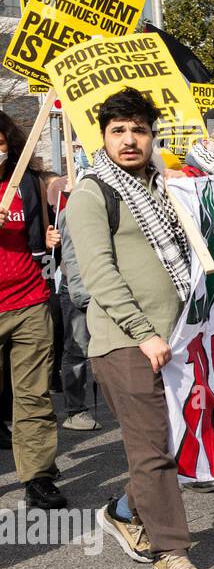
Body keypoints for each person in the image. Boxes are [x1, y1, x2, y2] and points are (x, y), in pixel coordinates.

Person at [64, 88, 202, 569]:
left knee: (176, 442)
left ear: (151, 136)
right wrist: (142, 333)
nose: (129, 139)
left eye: (139, 130)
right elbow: (99, 275)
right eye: (118, 130)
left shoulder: (166, 188)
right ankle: (171, 551)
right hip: (125, 342)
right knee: (151, 449)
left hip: (179, 336)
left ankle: (125, 509)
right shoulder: (91, 192)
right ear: (103, 136)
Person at [0, 110, 63, 509]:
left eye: (1, 144)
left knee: (34, 397)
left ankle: (38, 476)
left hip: (29, 302)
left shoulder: (22, 182)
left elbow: (54, 194)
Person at [50, 173, 99, 431]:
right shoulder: (71, 213)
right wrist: (83, 294)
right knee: (78, 349)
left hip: (102, 290)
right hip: (80, 291)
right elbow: (72, 256)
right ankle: (75, 410)